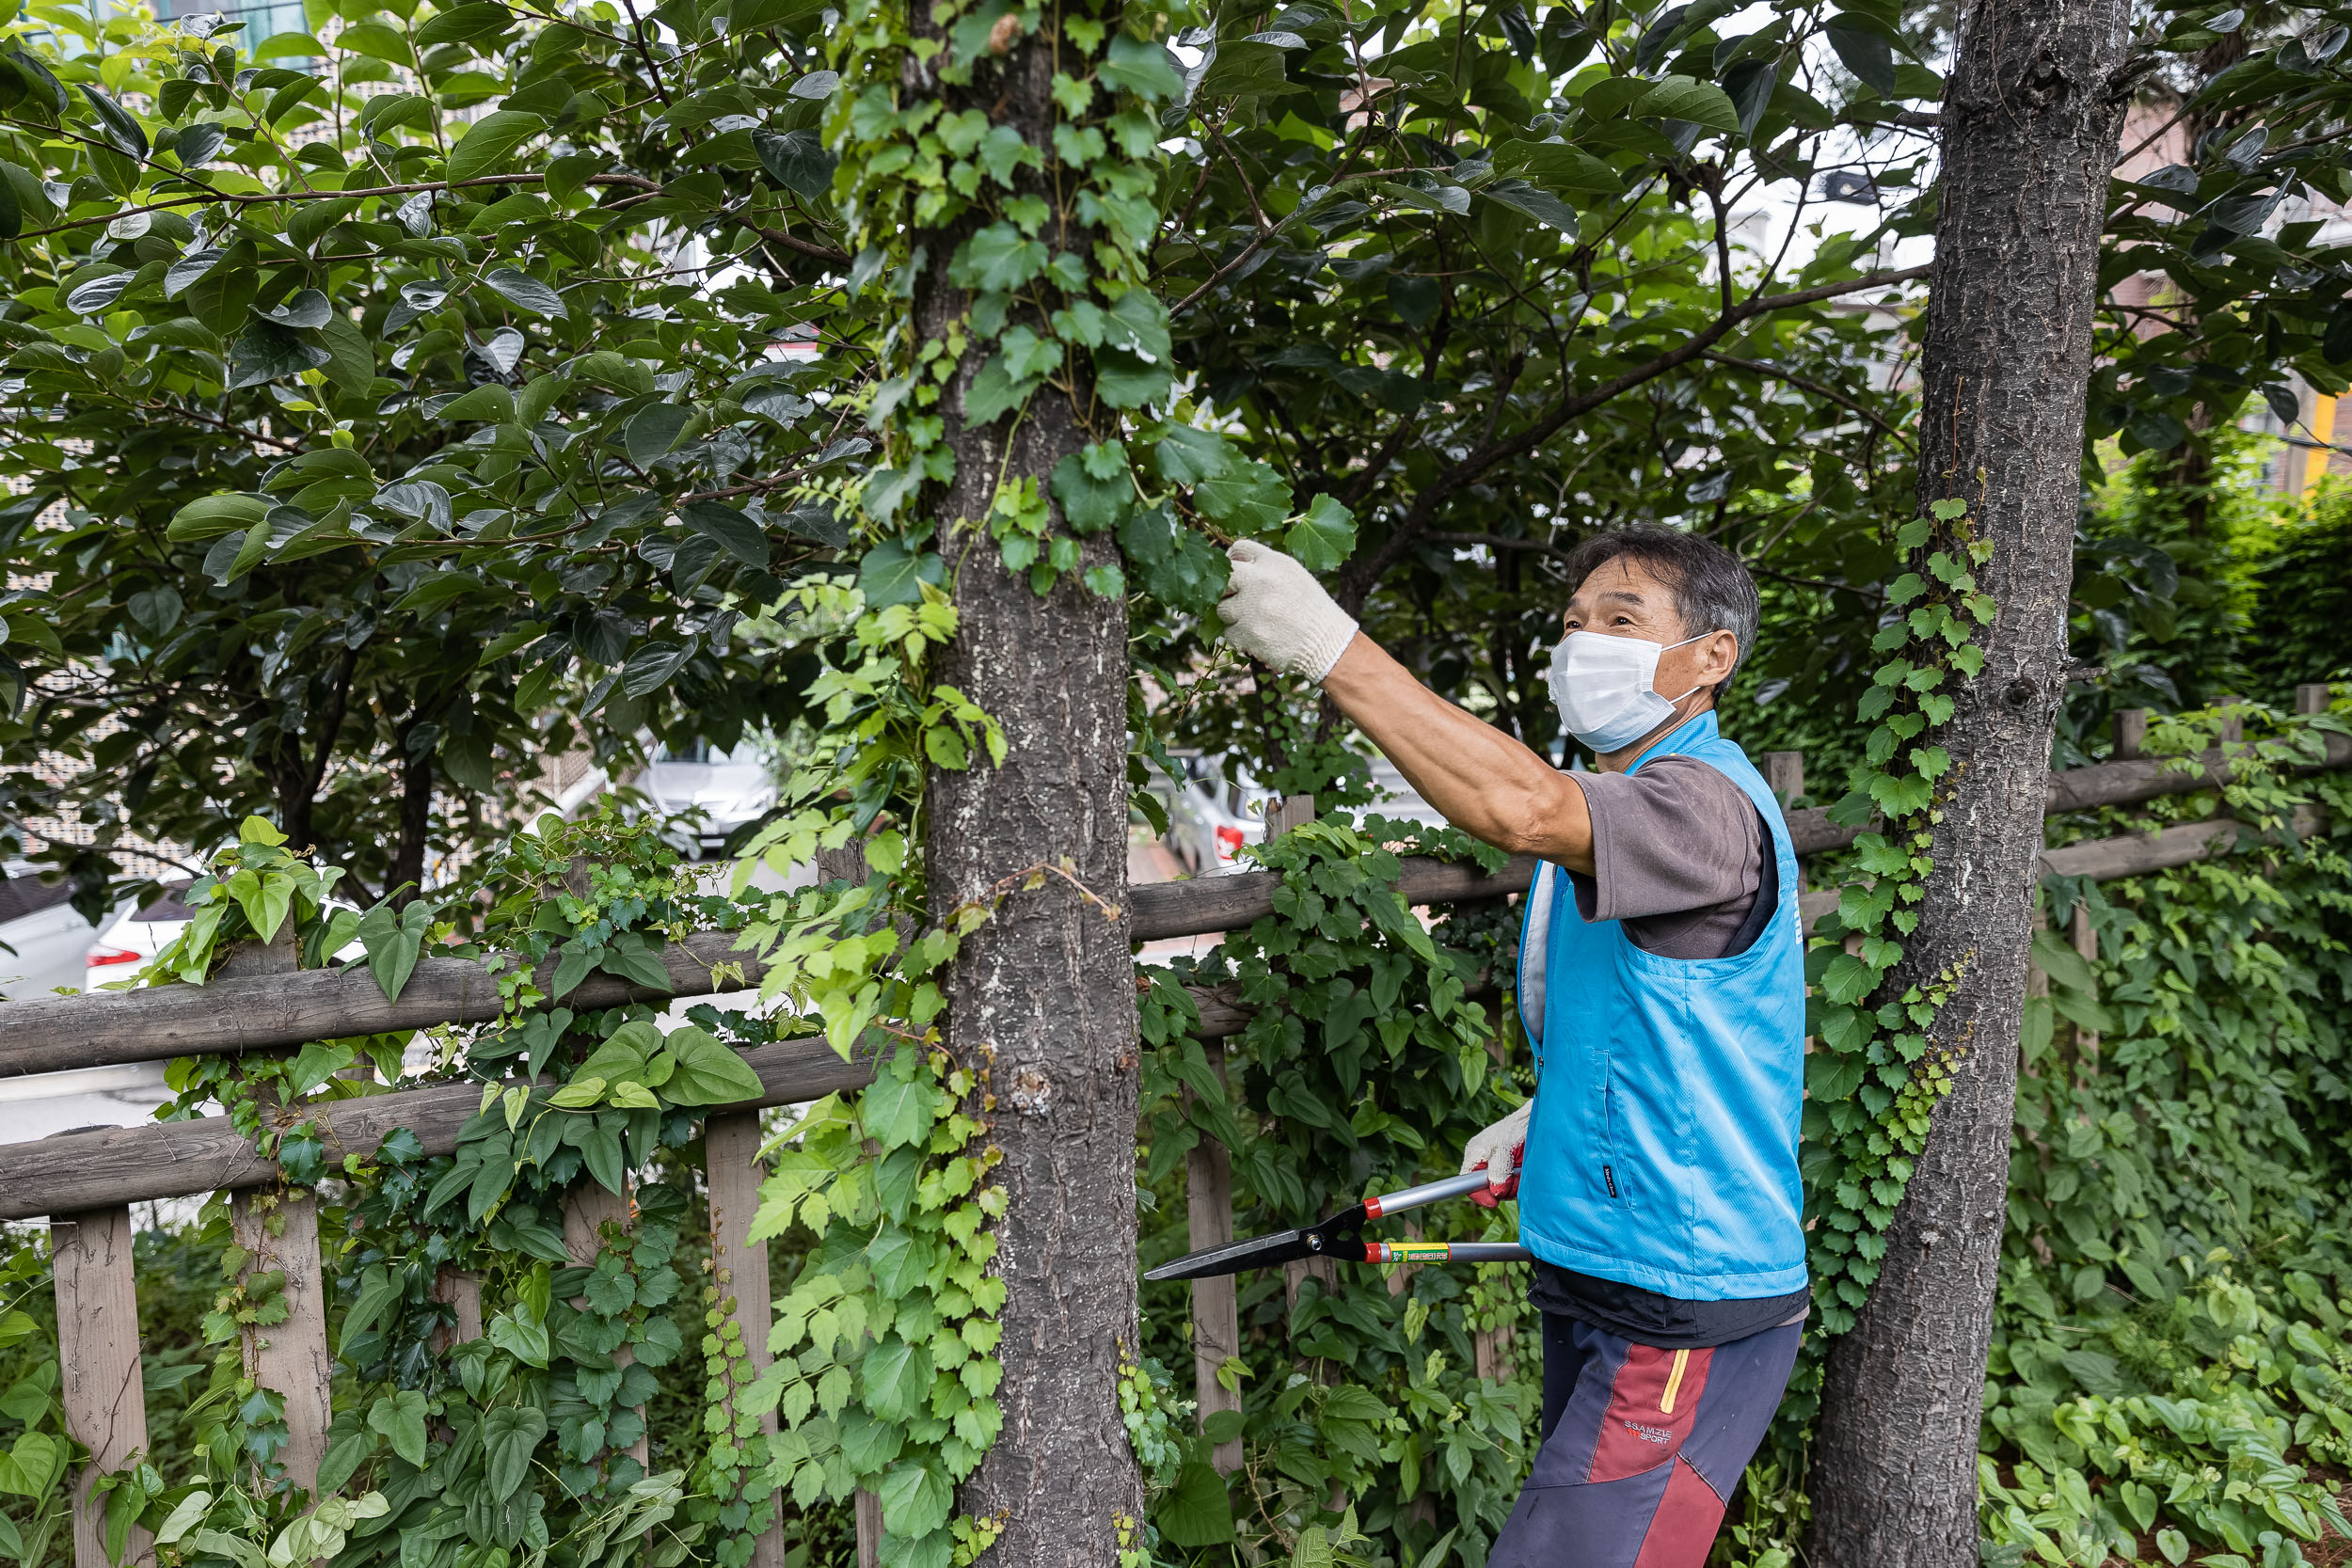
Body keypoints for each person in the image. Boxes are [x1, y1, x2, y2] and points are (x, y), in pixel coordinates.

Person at [1214, 524, 1806, 1568]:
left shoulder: (1701, 805)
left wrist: (1331, 648)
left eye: (1620, 621)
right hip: (1595, 1260)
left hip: (1684, 1289)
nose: (1583, 643)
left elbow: (1522, 805)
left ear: (1712, 656)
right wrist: (1560, 1110)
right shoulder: (1632, 797)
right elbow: (1667, 1009)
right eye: (1574, 623)